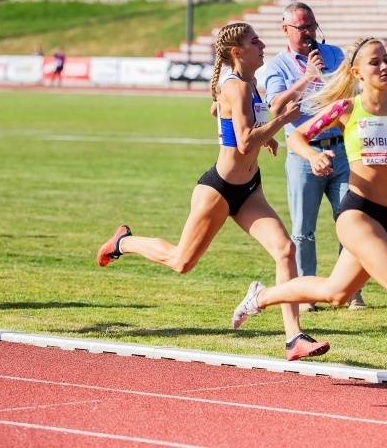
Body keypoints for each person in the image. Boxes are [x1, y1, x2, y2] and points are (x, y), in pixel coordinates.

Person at [232, 35, 387, 414]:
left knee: (335, 293)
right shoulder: (346, 108)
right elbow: (296, 136)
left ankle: (259, 297)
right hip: (357, 214)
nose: (384, 66)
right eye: (375, 62)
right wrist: (312, 156)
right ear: (358, 72)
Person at [96, 22, 330, 361]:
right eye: (255, 41)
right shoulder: (236, 87)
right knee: (181, 261)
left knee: (285, 250)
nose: (262, 44)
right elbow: (247, 137)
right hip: (219, 191)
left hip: (249, 189)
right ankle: (122, 242)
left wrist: (260, 132)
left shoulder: (246, 84)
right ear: (238, 52)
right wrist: (277, 124)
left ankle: (294, 338)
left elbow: (232, 116)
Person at [264, 1, 364, 312]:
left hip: (342, 150)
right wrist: (307, 77)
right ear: (286, 30)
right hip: (304, 154)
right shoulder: (277, 66)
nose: (308, 33)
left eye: (311, 26)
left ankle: (351, 289)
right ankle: (306, 291)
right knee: (303, 230)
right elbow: (275, 107)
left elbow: (354, 91)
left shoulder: (334, 55)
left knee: (351, 222)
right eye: (302, 27)